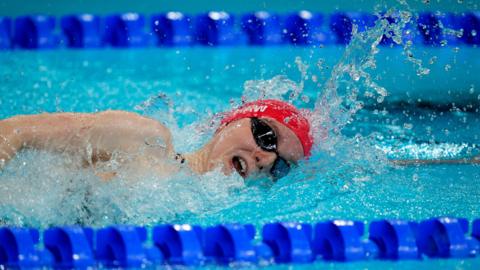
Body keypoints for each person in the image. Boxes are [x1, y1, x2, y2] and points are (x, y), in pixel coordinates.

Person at [0, 99, 312, 181]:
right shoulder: (145, 140)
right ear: (228, 123)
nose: (267, 158)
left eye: (281, 166)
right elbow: (15, 131)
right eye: (267, 136)